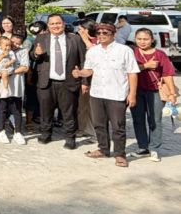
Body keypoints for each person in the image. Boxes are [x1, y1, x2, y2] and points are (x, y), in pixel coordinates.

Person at [76, 22, 139, 167]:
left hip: (116, 93)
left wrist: (132, 94)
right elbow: (89, 70)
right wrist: (80, 73)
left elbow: (132, 73)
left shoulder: (124, 50)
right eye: (99, 33)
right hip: (97, 93)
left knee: (118, 126)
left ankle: (120, 154)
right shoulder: (93, 51)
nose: (102, 36)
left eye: (106, 33)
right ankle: (103, 149)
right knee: (99, 124)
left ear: (113, 34)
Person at [31, 13, 85, 149]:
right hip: (46, 81)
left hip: (68, 82)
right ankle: (45, 134)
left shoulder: (74, 39)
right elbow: (32, 56)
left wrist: (84, 81)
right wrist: (36, 54)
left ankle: (70, 137)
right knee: (45, 111)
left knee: (69, 112)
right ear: (48, 26)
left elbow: (83, 61)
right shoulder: (41, 38)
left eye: (58, 23)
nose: (55, 26)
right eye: (52, 24)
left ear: (63, 24)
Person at [130, 28, 177, 162]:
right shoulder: (131, 53)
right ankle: (143, 147)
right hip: (136, 91)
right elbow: (127, 70)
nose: (142, 42)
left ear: (152, 40)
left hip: (155, 91)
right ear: (135, 39)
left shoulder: (160, 54)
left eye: (145, 39)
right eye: (139, 39)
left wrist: (172, 93)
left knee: (155, 120)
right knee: (138, 119)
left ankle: (154, 148)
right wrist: (146, 65)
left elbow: (167, 74)